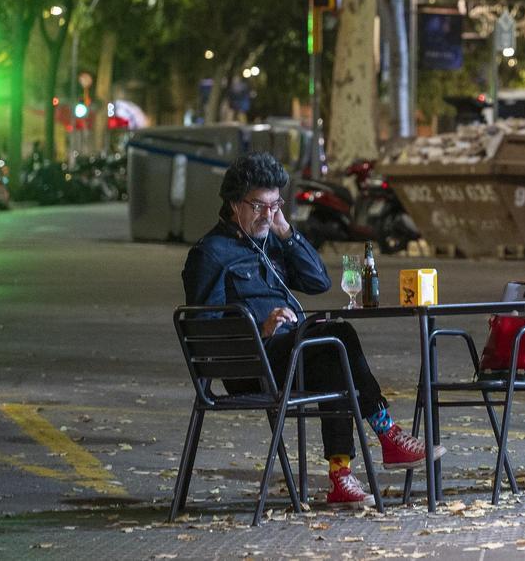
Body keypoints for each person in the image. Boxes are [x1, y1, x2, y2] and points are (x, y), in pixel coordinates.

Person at [182, 152, 445, 508]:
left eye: (275, 205)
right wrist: (261, 329)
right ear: (233, 203)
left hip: (290, 356)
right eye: (259, 205)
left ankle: (342, 477)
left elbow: (318, 281)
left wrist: (287, 233)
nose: (267, 215)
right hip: (250, 366)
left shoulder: (271, 240)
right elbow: (203, 329)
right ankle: (387, 435)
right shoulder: (210, 254)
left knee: (335, 353)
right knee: (337, 340)